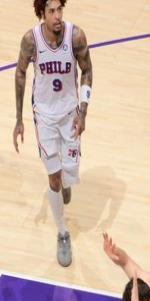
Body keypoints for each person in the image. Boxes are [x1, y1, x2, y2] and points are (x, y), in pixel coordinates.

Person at [13, 0, 93, 267]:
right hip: (45, 116)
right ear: (42, 13)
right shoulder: (31, 40)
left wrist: (83, 111)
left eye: (60, 10)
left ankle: (66, 181)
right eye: (51, 11)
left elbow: (87, 70)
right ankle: (62, 233)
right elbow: (20, 73)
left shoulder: (75, 35)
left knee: (69, 172)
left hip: (70, 114)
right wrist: (19, 119)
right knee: (54, 180)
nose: (57, 16)